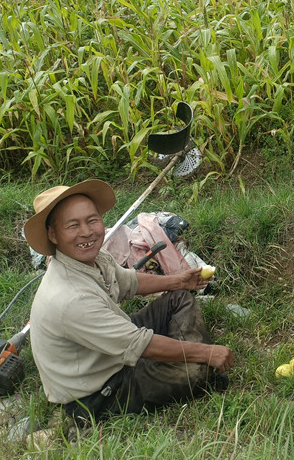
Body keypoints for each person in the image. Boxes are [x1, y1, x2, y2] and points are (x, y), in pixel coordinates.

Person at [26, 179, 234, 424]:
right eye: (73, 225)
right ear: (53, 234)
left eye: (92, 220)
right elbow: (138, 343)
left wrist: (179, 281)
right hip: (100, 392)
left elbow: (128, 281)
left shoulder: (95, 257)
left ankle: (182, 358)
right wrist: (207, 352)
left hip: (109, 349)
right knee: (195, 370)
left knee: (179, 298)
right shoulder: (70, 299)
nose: (87, 232)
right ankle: (195, 367)